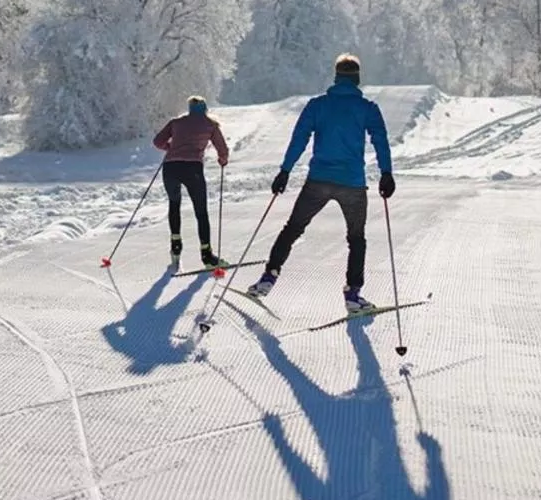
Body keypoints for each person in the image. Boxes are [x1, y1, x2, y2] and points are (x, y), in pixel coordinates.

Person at [247, 54, 396, 312]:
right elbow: (380, 140)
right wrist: (386, 173)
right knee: (356, 239)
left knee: (293, 229)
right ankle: (353, 295)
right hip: (352, 183)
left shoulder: (317, 106)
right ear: (357, 79)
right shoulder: (368, 108)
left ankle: (268, 277)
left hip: (318, 180)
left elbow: (299, 139)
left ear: (336, 77)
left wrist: (285, 170)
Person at [152, 96, 230, 267]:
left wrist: (170, 148)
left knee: (174, 204)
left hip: (171, 167)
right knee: (200, 211)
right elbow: (222, 149)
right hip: (192, 169)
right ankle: (207, 256)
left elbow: (158, 141)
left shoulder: (176, 123)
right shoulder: (211, 125)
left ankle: (176, 248)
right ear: (205, 109)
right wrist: (222, 159)